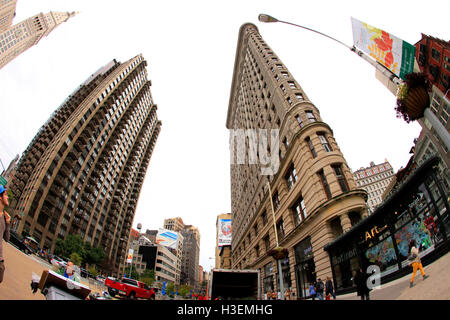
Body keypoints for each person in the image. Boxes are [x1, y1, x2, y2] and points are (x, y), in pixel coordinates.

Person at [0, 185, 11, 284]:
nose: (8, 197)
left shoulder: (4, 217)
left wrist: (7, 223)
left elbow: (7, 238)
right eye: (6, 195)